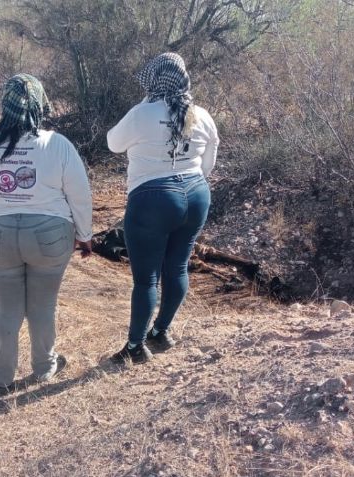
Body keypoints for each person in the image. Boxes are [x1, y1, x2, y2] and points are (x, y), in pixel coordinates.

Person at [0, 74, 93, 390]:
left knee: (7, 308)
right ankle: (45, 367)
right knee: (42, 306)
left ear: (5, 105)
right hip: (50, 235)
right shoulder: (57, 144)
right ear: (39, 104)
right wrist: (85, 234)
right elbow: (80, 194)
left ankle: (1, 376)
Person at [106, 53, 219, 364]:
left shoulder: (142, 114)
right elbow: (208, 162)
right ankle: (162, 331)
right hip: (196, 194)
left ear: (153, 80)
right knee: (178, 267)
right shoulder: (202, 115)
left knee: (146, 279)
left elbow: (113, 143)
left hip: (152, 199)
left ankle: (134, 347)